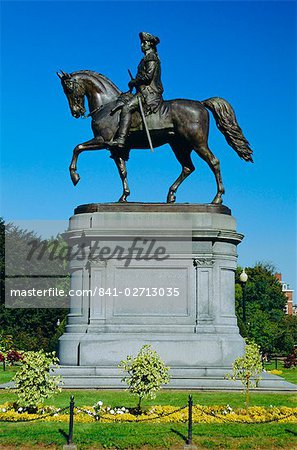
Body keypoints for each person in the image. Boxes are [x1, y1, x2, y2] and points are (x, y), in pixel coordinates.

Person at [111, 32, 164, 149]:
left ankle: (121, 139)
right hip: (143, 91)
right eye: (141, 43)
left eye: (144, 43)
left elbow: (148, 76)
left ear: (150, 44)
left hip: (149, 93)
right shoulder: (145, 58)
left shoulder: (151, 57)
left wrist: (134, 81)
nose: (142, 45)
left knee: (127, 107)